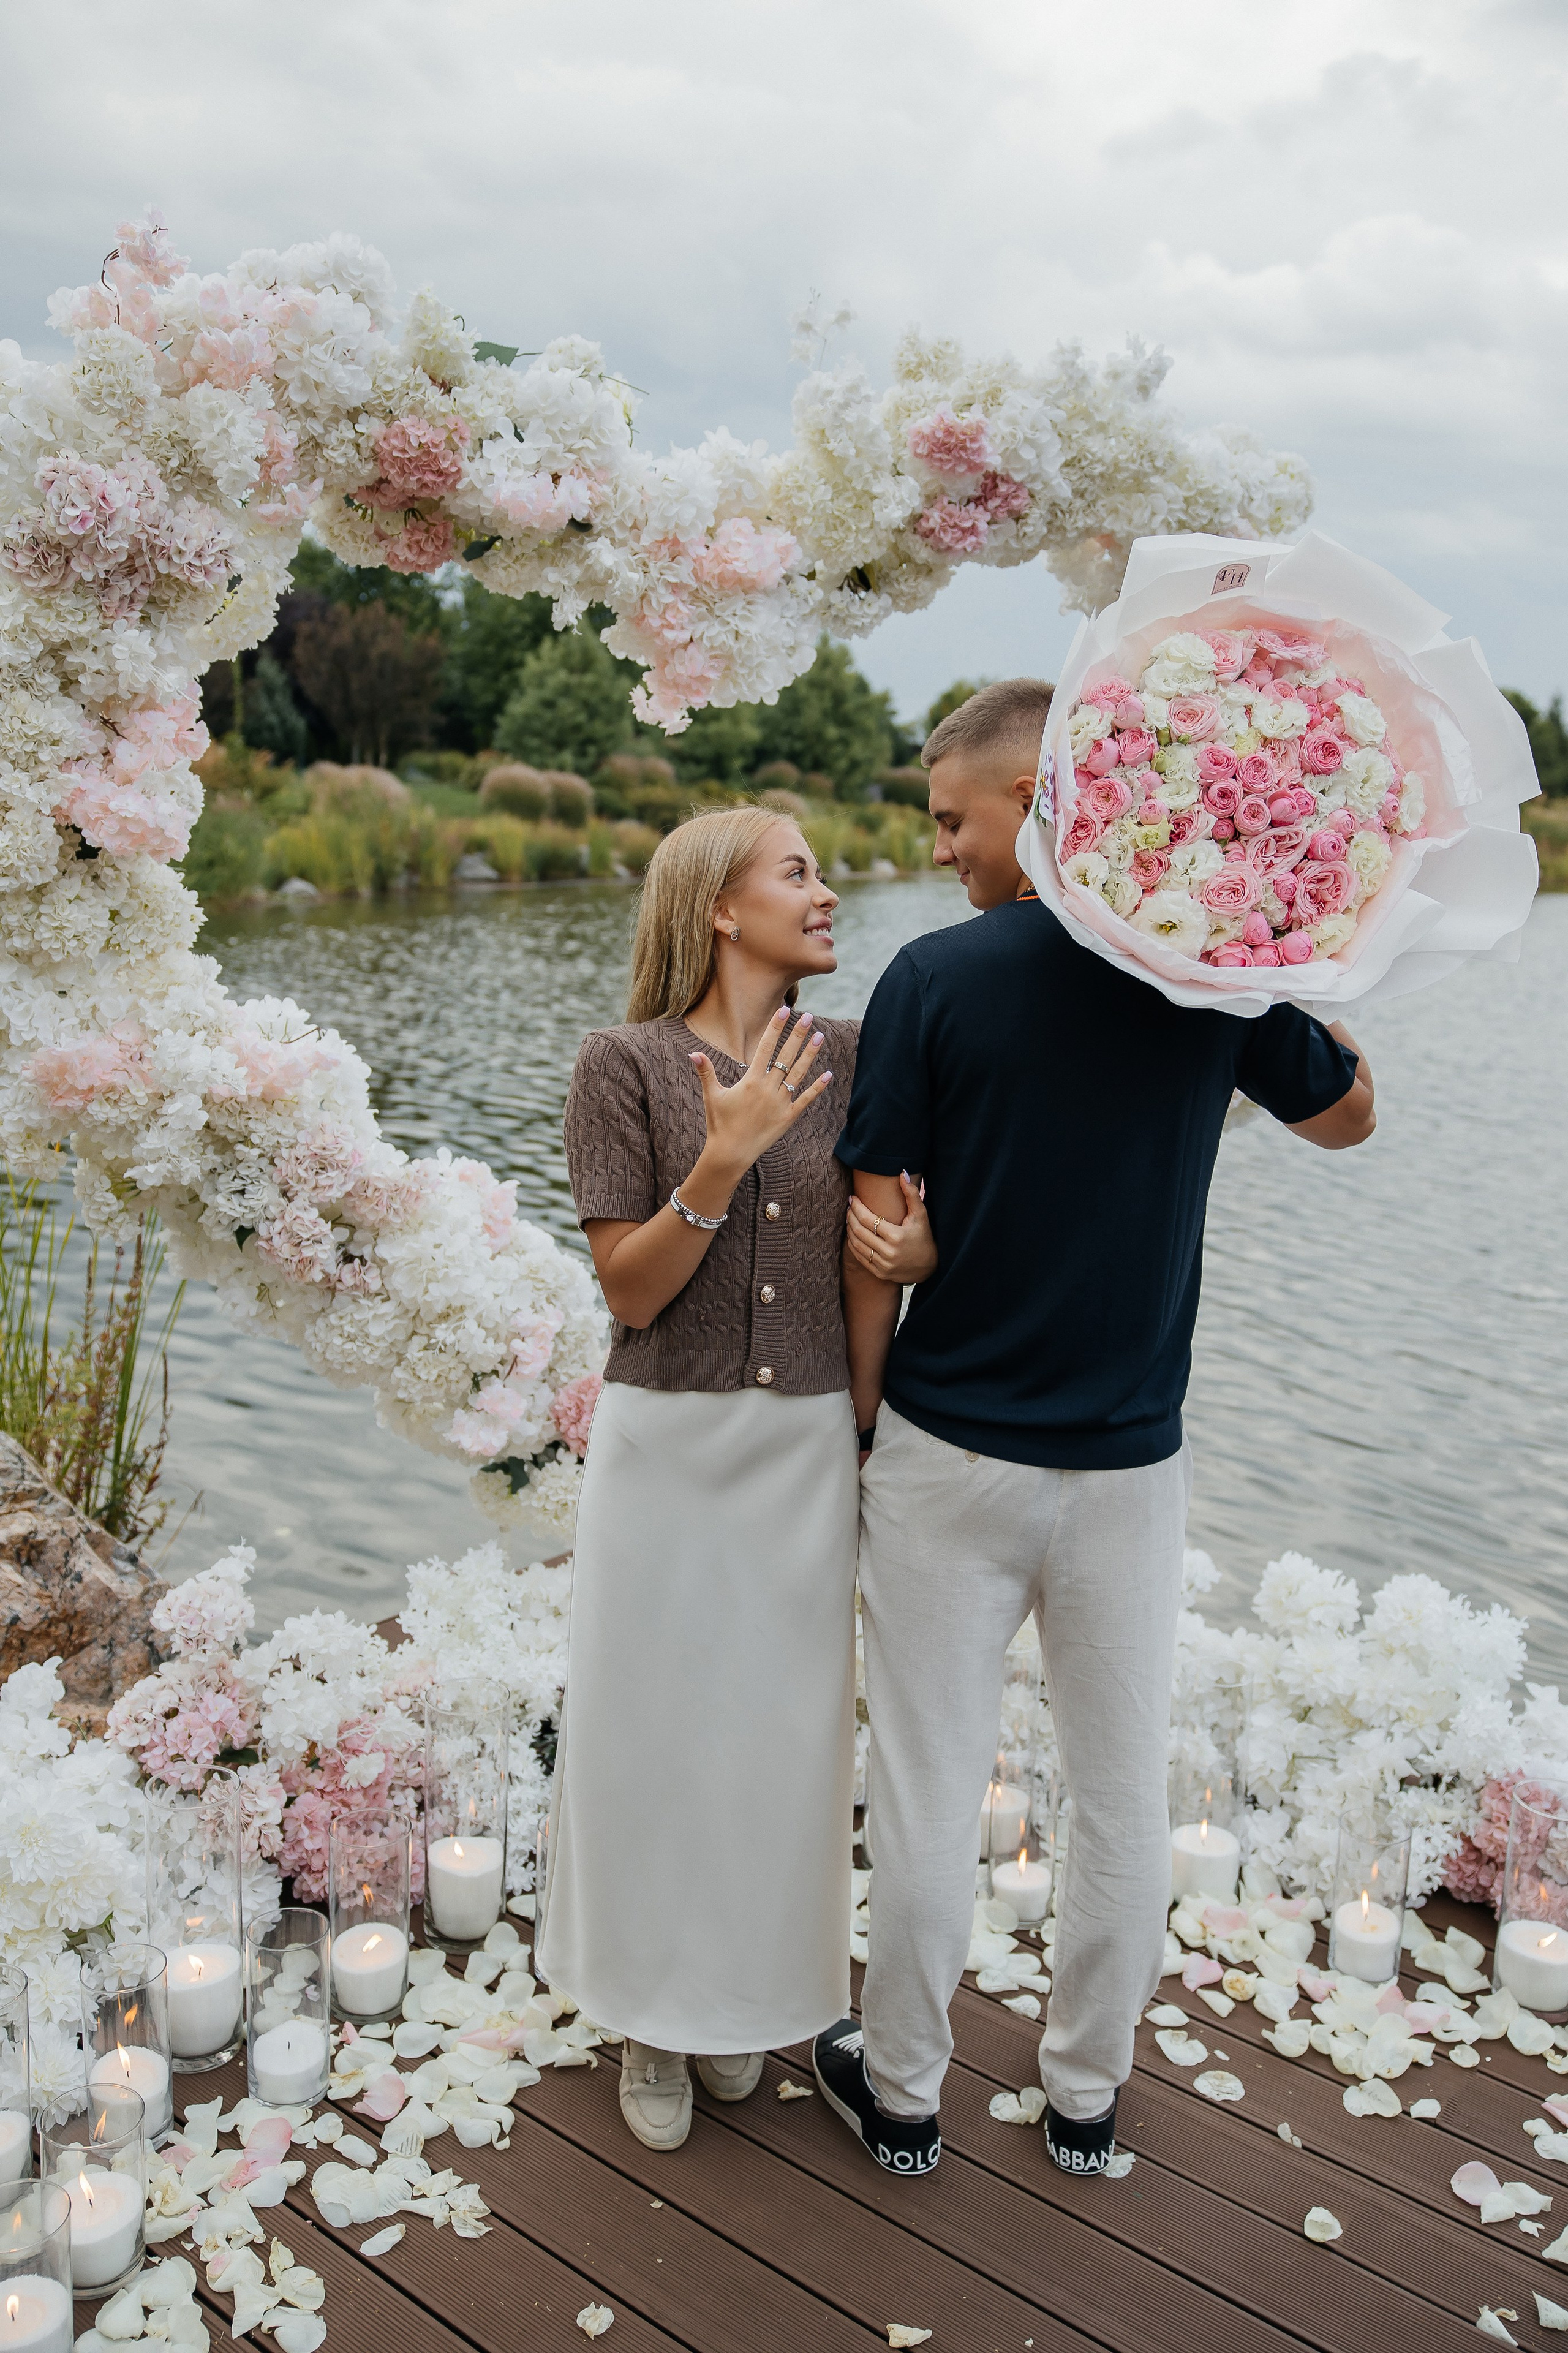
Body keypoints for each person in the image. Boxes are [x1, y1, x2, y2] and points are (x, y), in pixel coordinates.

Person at [813, 677, 1376, 2178]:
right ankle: (1080, 2097)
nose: (938, 848)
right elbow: (1348, 1117)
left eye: (950, 815)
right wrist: (1289, 955)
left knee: (928, 1783)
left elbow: (875, 1244)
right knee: (1118, 1789)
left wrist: (862, 1435)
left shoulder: (929, 981)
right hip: (1127, 1465)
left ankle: (907, 2096)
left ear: (1032, 795)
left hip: (946, 1446)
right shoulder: (1204, 975)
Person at [537, 805, 935, 2153]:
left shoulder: (857, 1054)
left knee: (778, 1746)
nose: (825, 893)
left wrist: (913, 1272)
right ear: (718, 905)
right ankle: (651, 2016)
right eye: (797, 872)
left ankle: (740, 2004)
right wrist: (722, 1151)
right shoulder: (624, 1065)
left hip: (810, 1446)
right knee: (650, 1739)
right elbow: (629, 1291)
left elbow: (883, 1247)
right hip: (666, 1450)